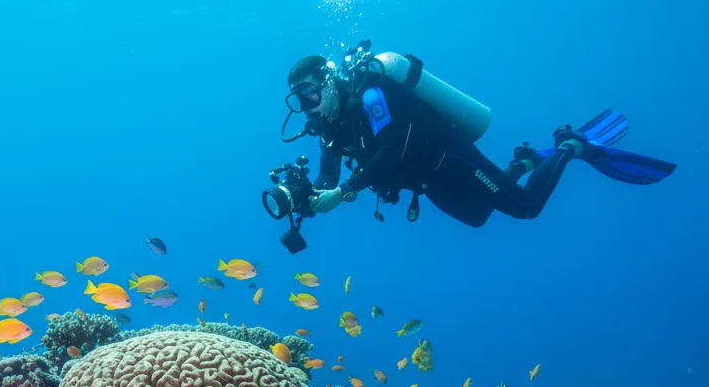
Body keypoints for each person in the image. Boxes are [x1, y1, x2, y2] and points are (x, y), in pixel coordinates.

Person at [282, 44, 675, 228]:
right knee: (479, 216)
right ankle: (522, 161)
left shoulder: (370, 96)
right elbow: (327, 180)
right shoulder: (329, 129)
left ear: (329, 83)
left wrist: (345, 190)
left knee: (526, 208)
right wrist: (305, 198)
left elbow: (385, 152)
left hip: (450, 158)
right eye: (299, 99)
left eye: (310, 93)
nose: (307, 106)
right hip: (427, 179)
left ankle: (570, 145)